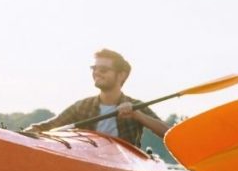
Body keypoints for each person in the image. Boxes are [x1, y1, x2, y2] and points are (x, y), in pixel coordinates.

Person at [27, 49, 168, 147]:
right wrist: (24, 133)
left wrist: (138, 115)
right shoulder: (82, 106)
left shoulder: (136, 105)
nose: (97, 73)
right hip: (89, 159)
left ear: (121, 75)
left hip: (124, 164)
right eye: (94, 68)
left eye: (103, 70)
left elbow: (168, 133)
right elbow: (49, 126)